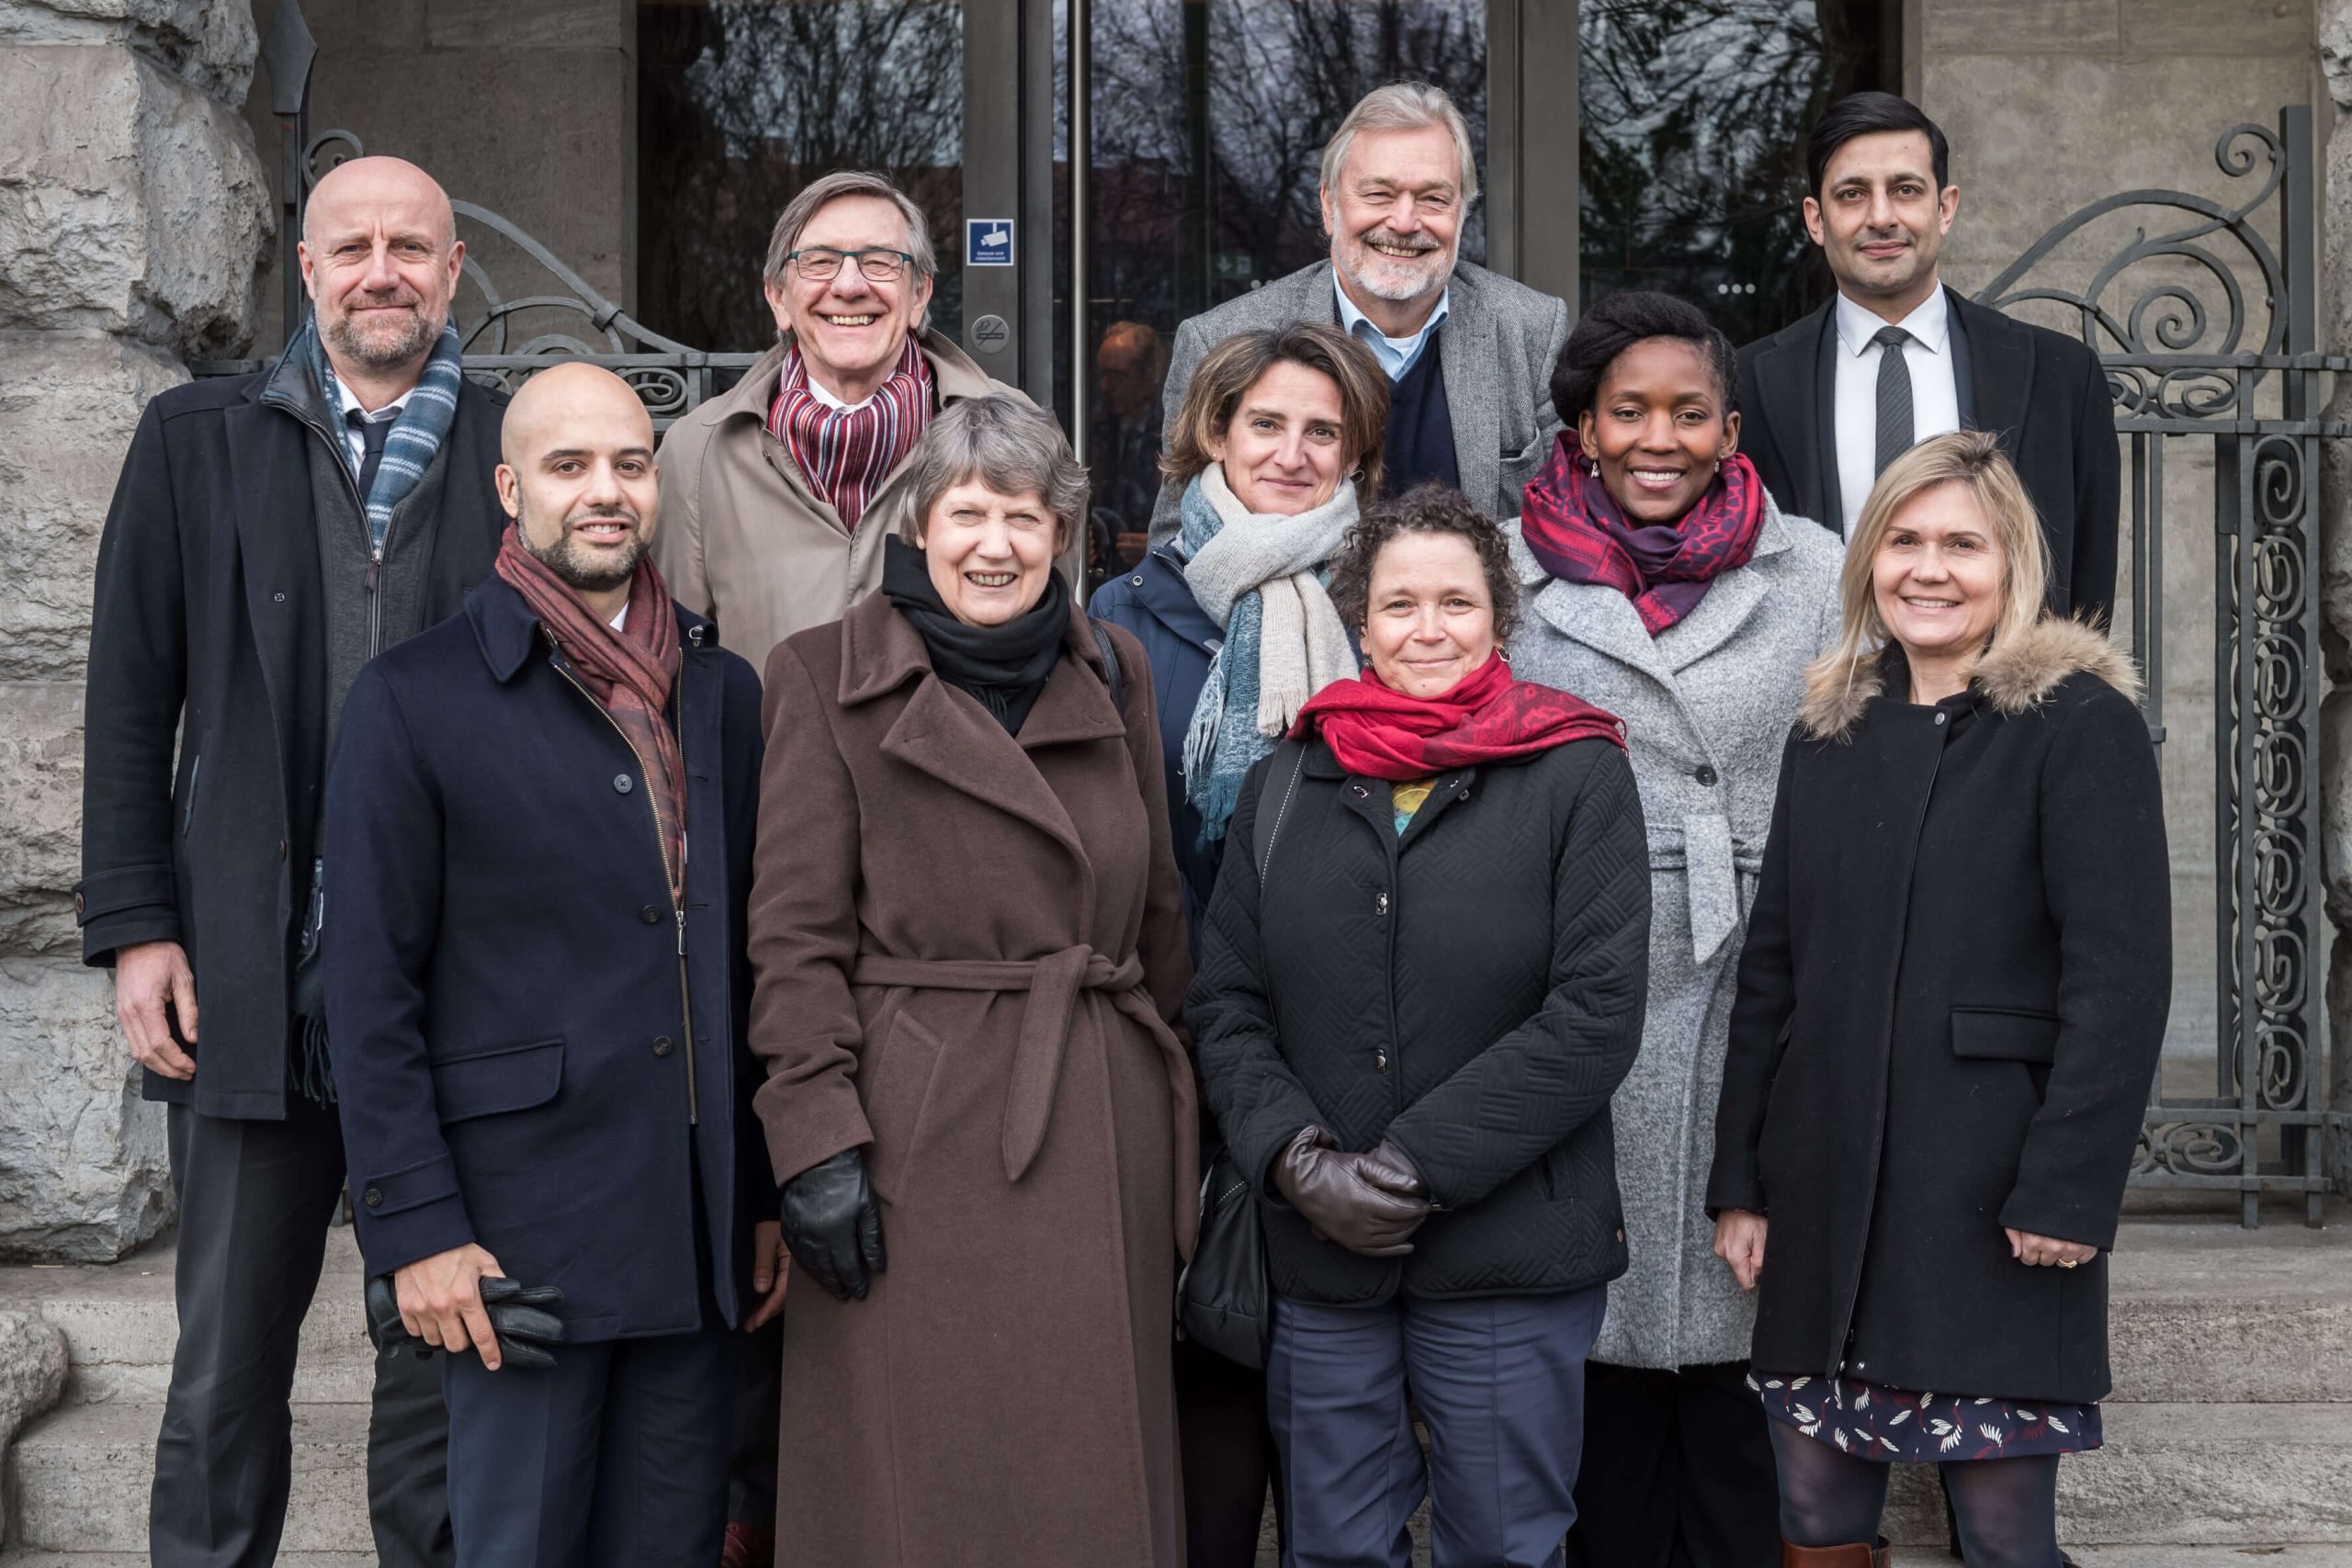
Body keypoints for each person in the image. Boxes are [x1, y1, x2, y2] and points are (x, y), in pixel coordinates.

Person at [75, 154, 502, 1568]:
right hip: (246, 981)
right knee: (222, 1374)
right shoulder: (193, 437)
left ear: (452, 271)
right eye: (352, 246)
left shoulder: (517, 449)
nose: (381, 270)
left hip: (458, 996)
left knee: (439, 1365)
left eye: (411, 247)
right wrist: (141, 925)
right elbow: (131, 702)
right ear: (306, 270)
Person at [322, 364, 776, 1565]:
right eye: (571, 466)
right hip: (514, 1247)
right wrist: (415, 1228)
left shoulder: (724, 695)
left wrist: (765, 1197)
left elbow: (748, 961)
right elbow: (369, 996)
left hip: (694, 1248)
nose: (608, 490)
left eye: (630, 462)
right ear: (511, 488)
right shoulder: (412, 700)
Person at [748, 396, 1198, 1567]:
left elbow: (1155, 916)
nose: (994, 544)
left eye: (1025, 517)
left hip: (1097, 1108)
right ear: (919, 524)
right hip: (909, 1126)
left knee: (1084, 1459)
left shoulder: (1119, 667)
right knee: (919, 1468)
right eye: (967, 513)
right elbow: (793, 938)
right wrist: (814, 1142)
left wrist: (1187, 1117)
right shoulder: (820, 673)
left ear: (1065, 536)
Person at [1706, 432, 2169, 1568]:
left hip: (1993, 1198)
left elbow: (2119, 979)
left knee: (2004, 1536)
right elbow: (1770, 969)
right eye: (1904, 541)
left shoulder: (2076, 726)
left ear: (2011, 564)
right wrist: (1741, 1183)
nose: (1929, 568)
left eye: (1962, 544)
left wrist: (2069, 1189)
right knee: (1814, 1521)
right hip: (1821, 1193)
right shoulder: (1832, 728)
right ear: (1868, 561)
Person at [1189, 485, 1650, 1568]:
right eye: (1400, 605)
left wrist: (1405, 1169)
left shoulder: (1575, 771)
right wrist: (1299, 1165)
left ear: (1499, 615)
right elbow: (1227, 1002)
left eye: (1456, 601)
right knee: (1335, 1552)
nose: (1428, 628)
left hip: (1507, 1256)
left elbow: (1593, 1015)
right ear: (1362, 622)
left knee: (1503, 1549)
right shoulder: (1286, 781)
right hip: (1322, 1258)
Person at [1502, 290, 1842, 1568]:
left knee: (1737, 1308)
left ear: (1731, 424)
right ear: (1582, 428)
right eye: (1628, 409)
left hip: (1762, 964)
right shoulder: (1505, 563)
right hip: (1574, 962)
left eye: (1688, 411)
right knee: (1601, 1332)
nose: (1660, 436)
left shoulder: (1812, 566)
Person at [1090, 320, 1386, 1567]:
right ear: (1213, 432)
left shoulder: (1398, 599)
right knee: (1203, 1386)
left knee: (1340, 1425)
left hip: (1348, 1055)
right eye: (1265, 422)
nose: (1291, 451)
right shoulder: (1122, 612)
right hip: (1180, 1042)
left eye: (1323, 431)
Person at [652, 168, 1076, 679]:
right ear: (778, 298)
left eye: (880, 262)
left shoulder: (1024, 437)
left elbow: (1052, 641)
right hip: (769, 759)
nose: (849, 286)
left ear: (919, 295)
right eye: (819, 262)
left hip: (957, 757)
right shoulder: (696, 454)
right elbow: (677, 667)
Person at [1736, 92, 2120, 623]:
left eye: (1905, 189)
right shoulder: (1751, 382)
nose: (1881, 216)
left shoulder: (2062, 377)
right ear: (1816, 219)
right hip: (1813, 698)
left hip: (2002, 700)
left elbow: (2087, 587)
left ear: (1945, 208)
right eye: (1852, 194)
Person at [1149, 82, 1568, 542]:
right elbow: (1176, 548)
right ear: (1329, 207)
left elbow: (1565, 533)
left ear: (1462, 214)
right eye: (1379, 195)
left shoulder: (1530, 331)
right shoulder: (1222, 340)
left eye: (1433, 199)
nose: (1405, 223)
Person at [1094, 319, 1170, 569]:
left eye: (1117, 376)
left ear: (1149, 375)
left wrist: (1158, 546)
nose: (1106, 387)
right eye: (1102, 375)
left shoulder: (1174, 434)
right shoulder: (1090, 428)